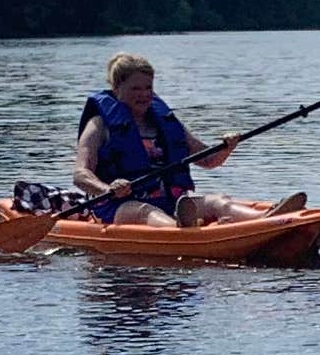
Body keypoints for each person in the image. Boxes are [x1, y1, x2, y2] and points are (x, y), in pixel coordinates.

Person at [70, 52, 273, 227]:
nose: (144, 94)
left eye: (148, 88)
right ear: (116, 88)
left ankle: (266, 218)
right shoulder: (98, 125)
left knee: (219, 201)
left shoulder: (164, 122)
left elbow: (208, 160)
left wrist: (227, 147)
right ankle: (181, 230)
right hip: (119, 207)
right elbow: (80, 174)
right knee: (146, 211)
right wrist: (108, 189)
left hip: (172, 202)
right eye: (136, 89)